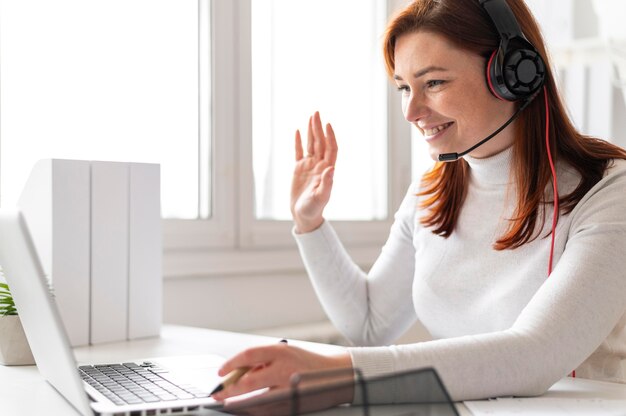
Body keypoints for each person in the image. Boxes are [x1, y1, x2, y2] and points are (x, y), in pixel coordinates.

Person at [212, 0, 626, 406]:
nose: (411, 111)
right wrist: (310, 224)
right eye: (404, 88)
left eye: (434, 83)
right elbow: (371, 325)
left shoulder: (609, 190)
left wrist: (332, 373)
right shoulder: (431, 194)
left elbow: (534, 355)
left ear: (514, 74)